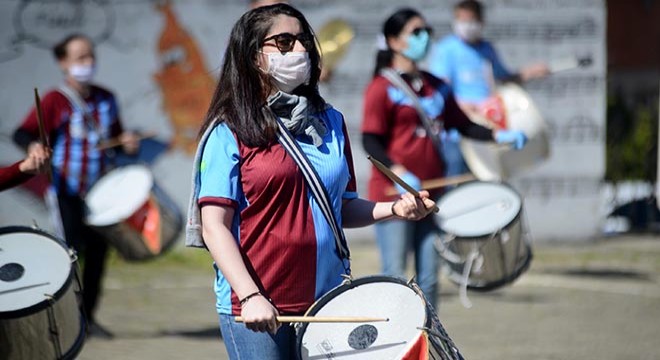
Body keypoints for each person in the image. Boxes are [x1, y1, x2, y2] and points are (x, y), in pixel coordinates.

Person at [185, 4, 436, 359]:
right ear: (253, 55)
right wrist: (250, 295)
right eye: (284, 42)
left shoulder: (331, 121)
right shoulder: (229, 131)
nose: (299, 50)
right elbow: (214, 227)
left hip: (326, 303)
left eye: (304, 40)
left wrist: (395, 209)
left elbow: (341, 207)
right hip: (259, 306)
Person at [361, 7, 527, 308]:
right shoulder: (381, 87)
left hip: (433, 195)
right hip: (395, 197)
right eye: (416, 32)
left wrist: (497, 135)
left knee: (430, 279)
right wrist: (398, 172)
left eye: (427, 32)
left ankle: (428, 345)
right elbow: (370, 139)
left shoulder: (437, 86)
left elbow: (462, 125)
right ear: (394, 41)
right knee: (395, 275)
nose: (424, 38)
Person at [13, 34, 139, 338]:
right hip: (66, 192)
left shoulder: (106, 98)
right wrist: (33, 146)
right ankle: (64, 322)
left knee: (98, 256)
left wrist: (127, 143)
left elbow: (117, 142)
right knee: (69, 256)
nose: (88, 63)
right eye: (80, 57)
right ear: (63, 62)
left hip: (102, 194)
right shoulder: (55, 100)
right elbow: (23, 132)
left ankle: (88, 318)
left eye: (90, 56)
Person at [428, 0, 549, 176]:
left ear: (481, 21)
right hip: (457, 134)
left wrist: (530, 73)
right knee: (455, 185)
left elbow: (505, 78)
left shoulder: (486, 49)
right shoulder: (446, 49)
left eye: (471, 21)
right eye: (462, 21)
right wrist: (461, 105)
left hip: (485, 127)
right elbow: (438, 88)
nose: (467, 26)